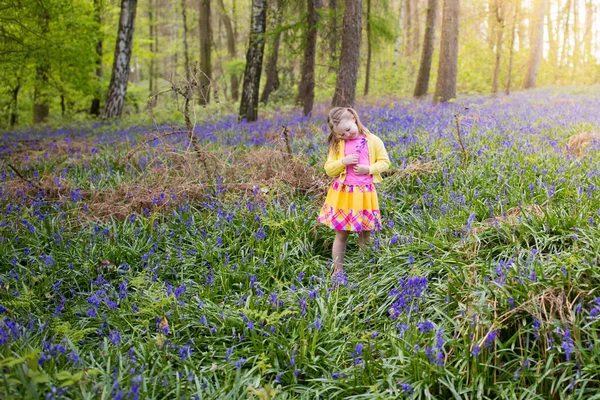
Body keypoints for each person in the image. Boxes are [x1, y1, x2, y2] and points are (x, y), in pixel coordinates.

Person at [318, 107, 391, 278]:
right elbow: (329, 169)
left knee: (366, 234)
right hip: (343, 195)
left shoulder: (373, 140)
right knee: (341, 233)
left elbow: (385, 162)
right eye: (341, 134)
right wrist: (343, 161)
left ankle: (365, 268)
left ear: (353, 118)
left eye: (348, 130)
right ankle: (338, 270)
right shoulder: (337, 145)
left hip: (365, 194)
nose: (346, 135)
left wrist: (369, 169)